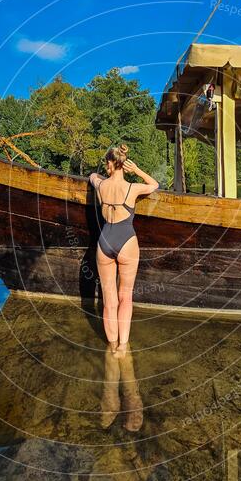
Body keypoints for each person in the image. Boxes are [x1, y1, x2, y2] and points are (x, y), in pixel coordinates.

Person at [89, 144, 159, 356]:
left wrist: (104, 173)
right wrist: (136, 170)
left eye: (107, 164)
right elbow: (154, 184)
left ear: (110, 163)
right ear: (123, 164)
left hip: (104, 242)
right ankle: (122, 347)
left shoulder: (100, 186)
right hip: (127, 241)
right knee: (125, 297)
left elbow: (92, 176)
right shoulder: (132, 188)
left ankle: (111, 346)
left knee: (108, 300)